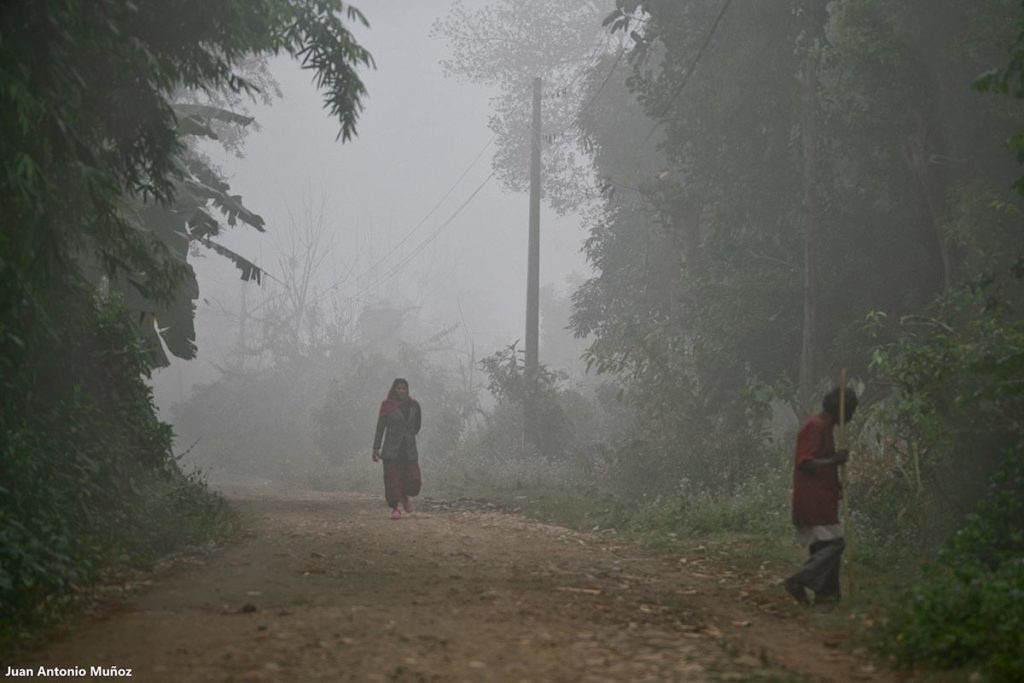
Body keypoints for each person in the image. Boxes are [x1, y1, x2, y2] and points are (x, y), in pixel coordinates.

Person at [784, 386, 858, 605]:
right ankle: (799, 579)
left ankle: (827, 597)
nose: (853, 416)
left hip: (824, 500)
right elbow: (805, 463)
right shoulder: (815, 426)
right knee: (835, 544)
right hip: (813, 501)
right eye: (852, 410)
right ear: (843, 409)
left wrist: (835, 484)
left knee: (822, 547)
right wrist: (835, 460)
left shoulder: (826, 428)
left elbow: (821, 462)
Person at [372, 378, 422, 519]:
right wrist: (376, 448)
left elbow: (417, 424)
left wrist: (409, 435)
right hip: (391, 450)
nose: (401, 391)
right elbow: (380, 428)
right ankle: (395, 508)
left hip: (409, 449)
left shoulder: (414, 405)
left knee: (414, 479)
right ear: (394, 390)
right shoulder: (387, 406)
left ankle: (405, 496)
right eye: (398, 388)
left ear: (407, 390)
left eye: (404, 388)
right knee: (392, 479)